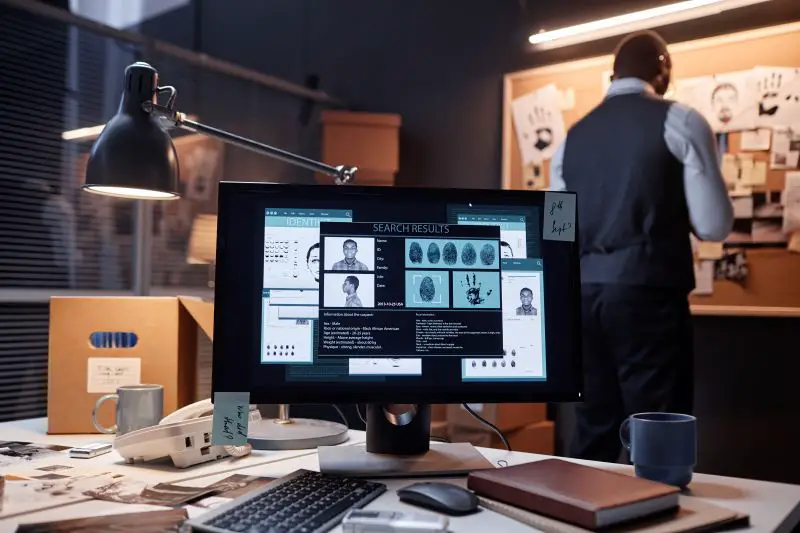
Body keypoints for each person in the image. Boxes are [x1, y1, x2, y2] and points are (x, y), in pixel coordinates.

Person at [550, 30, 733, 463]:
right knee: (656, 424)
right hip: (647, 293)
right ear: (663, 68)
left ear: (612, 74)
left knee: (593, 422)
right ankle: (657, 525)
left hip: (583, 299)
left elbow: (557, 233)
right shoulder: (681, 120)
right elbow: (713, 224)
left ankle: (583, 518)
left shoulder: (570, 138)